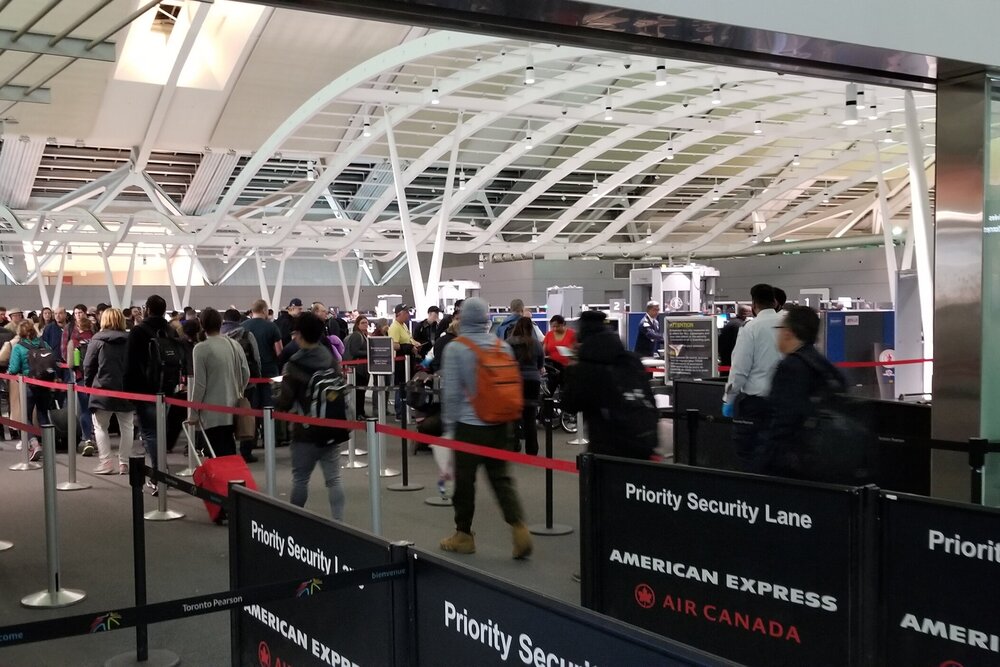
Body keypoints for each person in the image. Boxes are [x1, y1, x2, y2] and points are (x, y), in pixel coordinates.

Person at [439, 297, 532, 559]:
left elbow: (453, 395)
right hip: (501, 424)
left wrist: (448, 429)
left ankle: (463, 535)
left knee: (465, 483)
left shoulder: (457, 348)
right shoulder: (501, 345)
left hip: (469, 427)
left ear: (463, 319)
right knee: (501, 479)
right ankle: (519, 529)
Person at [274, 312, 345, 520]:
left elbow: (285, 401)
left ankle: (295, 520)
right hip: (332, 428)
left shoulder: (294, 364)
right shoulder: (330, 360)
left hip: (304, 431)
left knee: (301, 479)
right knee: (334, 479)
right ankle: (339, 522)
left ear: (301, 335)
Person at [761, 305, 846, 476]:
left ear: (788, 332)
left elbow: (783, 418)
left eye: (780, 328)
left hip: (793, 458)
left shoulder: (791, 366)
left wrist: (764, 459)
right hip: (823, 455)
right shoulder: (821, 363)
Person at [562, 311, 659, 460]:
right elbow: (649, 398)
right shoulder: (631, 359)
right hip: (642, 440)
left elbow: (569, 404)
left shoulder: (587, 367)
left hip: (607, 448)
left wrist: (571, 368)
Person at [722, 283, 783, 472]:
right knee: (780, 456)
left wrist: (729, 399)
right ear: (774, 302)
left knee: (752, 456)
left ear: (754, 305)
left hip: (757, 405)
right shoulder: (789, 325)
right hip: (784, 402)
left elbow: (739, 369)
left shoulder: (750, 328)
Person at [124, 294, 180, 483]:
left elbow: (131, 363)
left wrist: (129, 391)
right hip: (168, 386)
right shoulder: (171, 330)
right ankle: (161, 468)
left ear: (147, 309)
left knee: (150, 432)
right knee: (159, 429)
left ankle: (159, 473)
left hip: (145, 388)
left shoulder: (138, 331)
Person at [187, 308, 250, 458]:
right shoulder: (234, 344)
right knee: (229, 450)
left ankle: (226, 481)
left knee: (216, 454)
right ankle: (234, 480)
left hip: (212, 411)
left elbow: (200, 384)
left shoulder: (200, 349)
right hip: (233, 406)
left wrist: (194, 413)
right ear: (221, 323)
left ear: (201, 324)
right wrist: (238, 390)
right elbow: (246, 373)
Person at [83, 308, 134, 475]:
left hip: (101, 390)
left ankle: (106, 462)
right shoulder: (130, 341)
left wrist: (88, 385)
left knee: (100, 426)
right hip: (126, 389)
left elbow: (88, 365)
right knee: (127, 426)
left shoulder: (97, 340)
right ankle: (124, 463)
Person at [8, 320, 53, 461]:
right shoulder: (43, 344)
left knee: (26, 416)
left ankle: (34, 443)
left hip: (28, 384)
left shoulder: (18, 347)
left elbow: (14, 368)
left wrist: (9, 373)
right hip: (45, 383)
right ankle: (49, 445)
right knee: (43, 413)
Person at [241, 299, 283, 445]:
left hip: (250, 374)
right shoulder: (272, 327)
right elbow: (279, 352)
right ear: (265, 311)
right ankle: (269, 440)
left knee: (252, 408)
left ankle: (249, 444)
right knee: (269, 406)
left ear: (252, 311)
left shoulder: (242, 327)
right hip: (269, 372)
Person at [507, 317, 543, 455]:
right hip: (533, 381)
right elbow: (540, 364)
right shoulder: (536, 344)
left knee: (514, 415)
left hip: (514, 381)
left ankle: (514, 445)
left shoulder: (508, 343)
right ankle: (532, 450)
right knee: (530, 417)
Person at [67, 315, 96, 455]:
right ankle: (99, 437)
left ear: (78, 327)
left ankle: (88, 439)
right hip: (97, 380)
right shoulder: (97, 339)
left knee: (85, 410)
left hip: (81, 378)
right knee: (97, 410)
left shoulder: (74, 341)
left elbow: (70, 364)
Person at [387, 304, 419, 421]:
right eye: (406, 313)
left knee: (407, 385)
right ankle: (400, 411)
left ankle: (406, 410)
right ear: (399, 314)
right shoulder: (394, 327)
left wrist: (415, 344)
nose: (408, 315)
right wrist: (407, 346)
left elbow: (409, 338)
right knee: (400, 385)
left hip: (408, 359)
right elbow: (393, 345)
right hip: (400, 361)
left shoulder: (404, 325)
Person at [343, 315, 371, 419]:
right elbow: (354, 351)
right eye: (363, 323)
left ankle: (361, 412)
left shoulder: (363, 335)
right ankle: (357, 413)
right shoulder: (357, 335)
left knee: (361, 392)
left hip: (362, 368)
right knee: (358, 392)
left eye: (366, 323)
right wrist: (369, 352)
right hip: (358, 369)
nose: (365, 324)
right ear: (358, 324)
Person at [541, 314, 576, 392]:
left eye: (557, 326)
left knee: (565, 392)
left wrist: (570, 353)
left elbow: (576, 351)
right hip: (553, 369)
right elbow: (544, 350)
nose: (555, 329)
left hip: (567, 369)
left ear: (563, 324)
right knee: (548, 392)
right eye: (553, 327)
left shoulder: (572, 334)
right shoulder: (549, 335)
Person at [718, 305, 752, 377]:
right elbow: (739, 345)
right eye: (750, 313)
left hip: (725, 361)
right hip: (732, 364)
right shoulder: (739, 325)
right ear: (745, 313)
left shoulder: (732, 323)